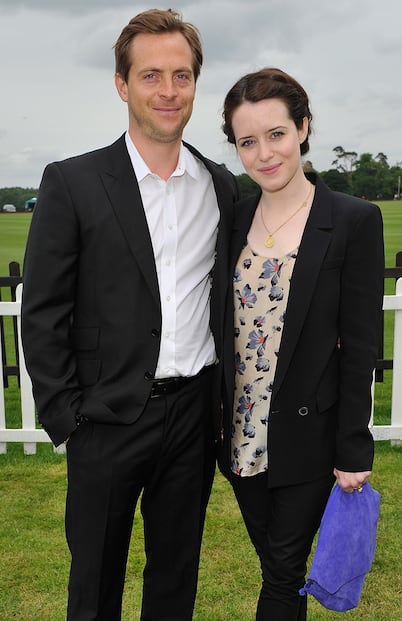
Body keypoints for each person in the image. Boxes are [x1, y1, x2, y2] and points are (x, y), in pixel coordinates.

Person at [21, 9, 238, 621]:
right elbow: (41, 310)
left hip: (193, 417)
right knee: (94, 583)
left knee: (175, 579)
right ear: (122, 84)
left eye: (182, 76)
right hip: (105, 418)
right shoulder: (73, 182)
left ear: (196, 83)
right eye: (151, 76)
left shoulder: (219, 185)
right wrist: (66, 418)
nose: (168, 91)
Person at [219, 67, 384, 620]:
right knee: (276, 569)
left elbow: (360, 345)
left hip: (307, 438)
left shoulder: (353, 220)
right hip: (240, 437)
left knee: (283, 575)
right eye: (247, 141)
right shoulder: (233, 219)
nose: (264, 154)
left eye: (276, 134)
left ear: (303, 128)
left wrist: (352, 449)